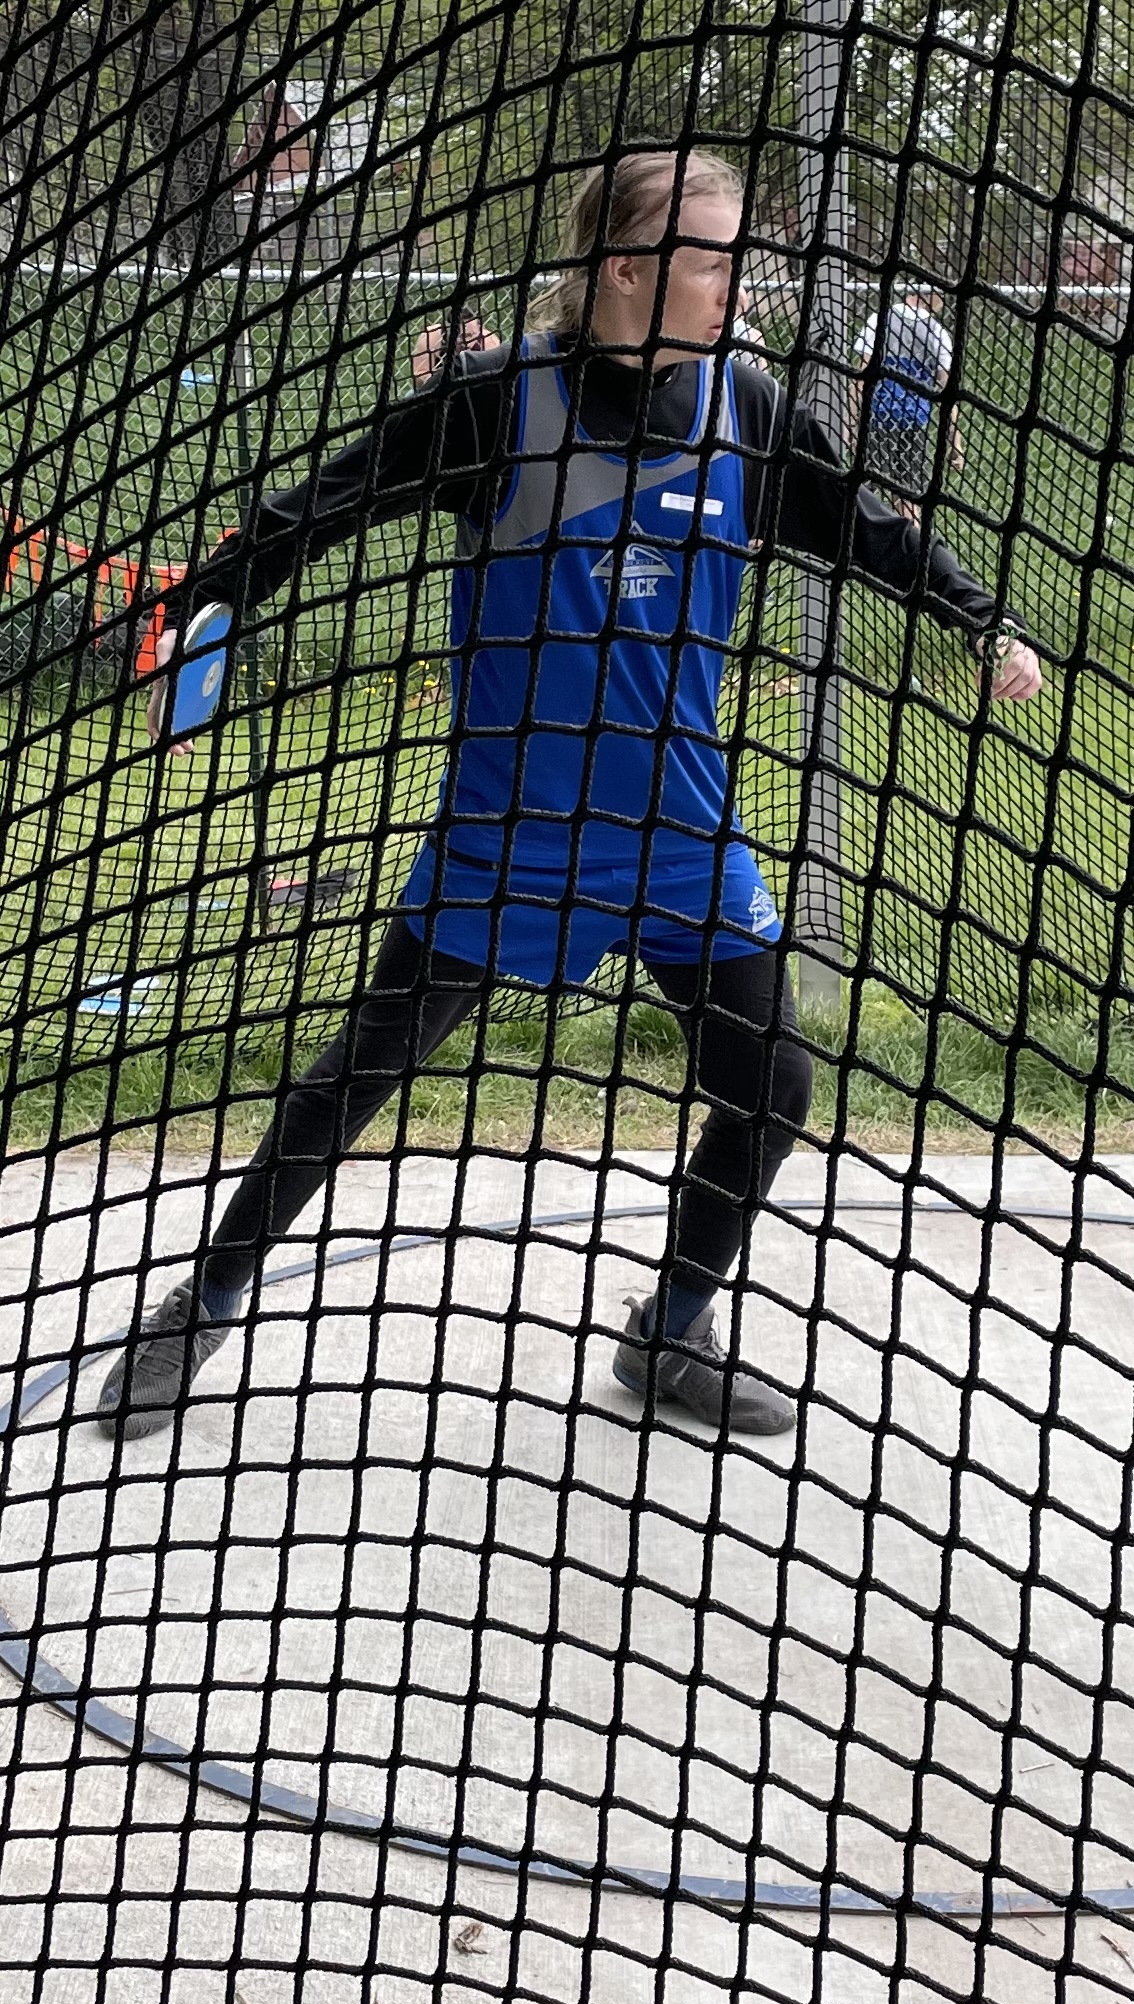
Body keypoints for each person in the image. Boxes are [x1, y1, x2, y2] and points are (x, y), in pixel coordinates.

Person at [96, 147, 1042, 1449]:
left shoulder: (745, 407)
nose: (733, 283)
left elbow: (868, 532)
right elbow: (319, 509)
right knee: (357, 1075)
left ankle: (668, 1334)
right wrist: (198, 608)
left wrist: (981, 619)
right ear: (626, 269)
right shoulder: (498, 404)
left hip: (679, 837)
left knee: (770, 1084)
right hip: (510, 840)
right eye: (709, 258)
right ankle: (196, 1307)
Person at [854, 288, 964, 519]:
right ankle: (910, 537)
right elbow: (948, 394)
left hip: (880, 416)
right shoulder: (937, 333)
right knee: (909, 494)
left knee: (866, 490)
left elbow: (861, 379)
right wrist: (955, 443)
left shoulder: (880, 319)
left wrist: (851, 422)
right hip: (915, 420)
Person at [410, 307, 500, 389]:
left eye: (469, 335)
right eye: (458, 335)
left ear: (479, 329)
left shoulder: (489, 342)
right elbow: (419, 377)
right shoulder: (431, 337)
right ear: (447, 328)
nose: (465, 342)